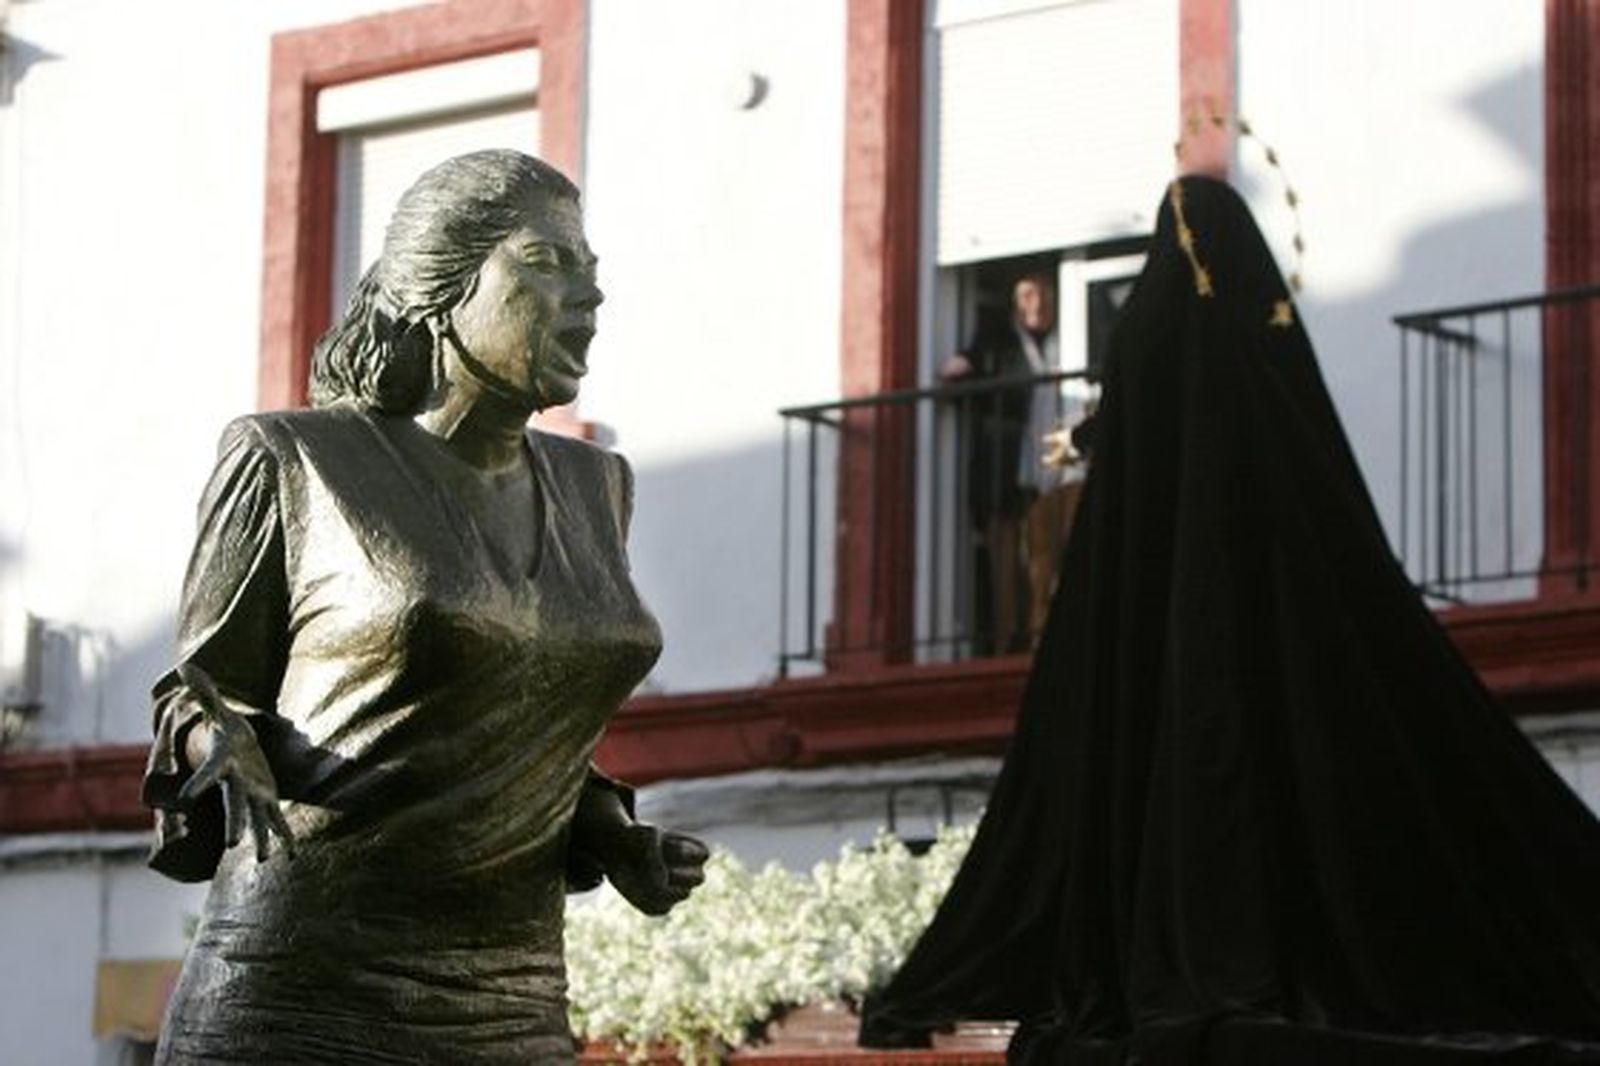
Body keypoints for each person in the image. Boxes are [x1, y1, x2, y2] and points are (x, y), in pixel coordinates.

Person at [862, 177, 1600, 1064]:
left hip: (1163, 628)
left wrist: (1102, 437)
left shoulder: (1158, 327)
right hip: (1272, 628)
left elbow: (1144, 411)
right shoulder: (1259, 347)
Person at [141, 149, 708, 1064]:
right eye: (546, 262)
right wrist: (220, 740)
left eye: (591, 270)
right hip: (300, 992)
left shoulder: (598, 488)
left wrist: (615, 837)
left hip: (510, 995)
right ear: (439, 286)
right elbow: (198, 691)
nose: (590, 295)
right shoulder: (293, 460)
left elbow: (509, 717)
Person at [944, 272, 1070, 655]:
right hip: (1004, 467)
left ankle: (1039, 640)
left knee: (1042, 557)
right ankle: (1005, 644)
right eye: (1027, 295)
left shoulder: (1065, 342)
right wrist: (960, 366)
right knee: (1006, 561)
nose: (1037, 304)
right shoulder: (998, 343)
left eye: (1044, 295)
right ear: (1015, 304)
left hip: (1048, 466)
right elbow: (960, 372)